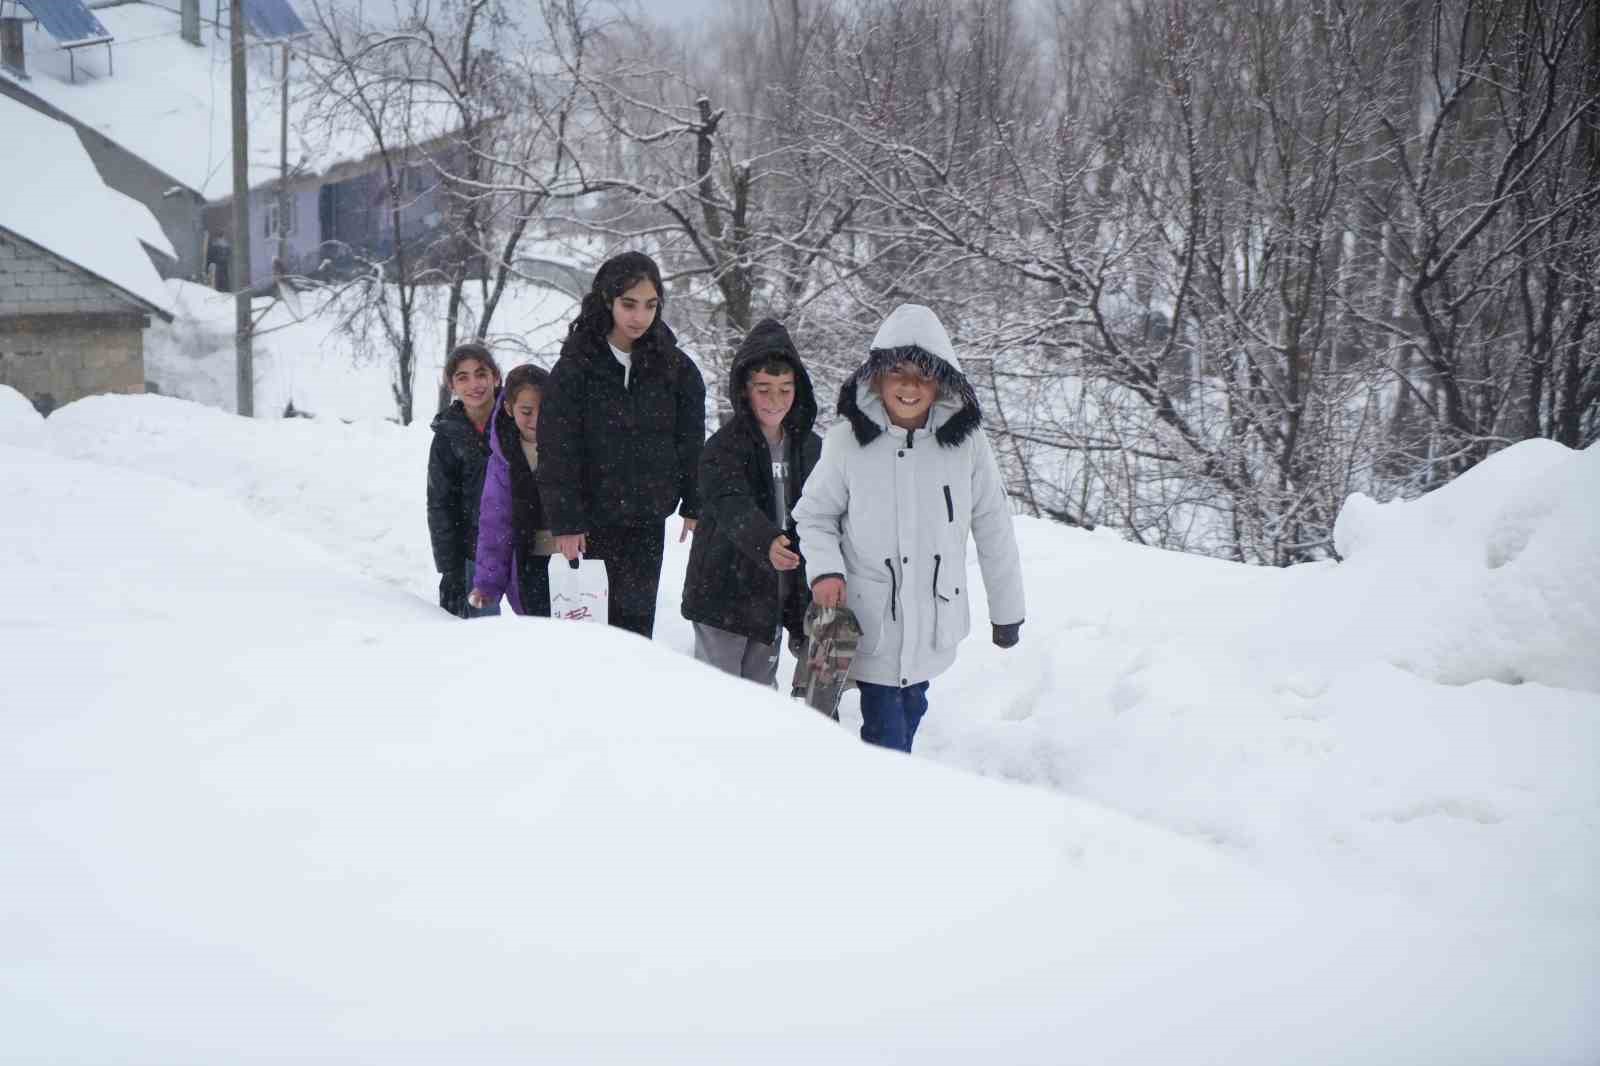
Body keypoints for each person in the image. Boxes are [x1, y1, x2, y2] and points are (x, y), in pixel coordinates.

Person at [792, 304, 1025, 752]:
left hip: (932, 622)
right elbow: (814, 516)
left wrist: (1007, 612)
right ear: (877, 378)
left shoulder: (967, 445)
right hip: (864, 619)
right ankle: (882, 800)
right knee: (886, 734)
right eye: (897, 372)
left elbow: (995, 528)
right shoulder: (847, 442)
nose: (909, 386)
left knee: (911, 708)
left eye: (923, 375)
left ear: (942, 382)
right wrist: (825, 572)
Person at [537, 252, 707, 638]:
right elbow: (557, 450)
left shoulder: (677, 369)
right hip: (591, 524)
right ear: (608, 301)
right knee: (589, 631)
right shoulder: (575, 368)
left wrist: (694, 502)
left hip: (648, 521)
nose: (639, 316)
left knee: (635, 632)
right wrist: (566, 521)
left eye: (650, 305)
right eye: (629, 304)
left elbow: (691, 441)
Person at [681, 318, 822, 686]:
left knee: (760, 692)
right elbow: (730, 502)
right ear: (744, 390)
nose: (775, 401)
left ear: (798, 389)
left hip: (775, 593)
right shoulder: (723, 447)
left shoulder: (811, 448)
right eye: (764, 389)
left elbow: (824, 512)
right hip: (722, 591)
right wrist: (766, 540)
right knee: (720, 692)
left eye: (784, 389)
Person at [469, 364, 556, 617]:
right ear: (509, 408)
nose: (537, 419)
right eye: (527, 411)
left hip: (573, 559)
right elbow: (495, 523)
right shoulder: (504, 459)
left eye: (545, 409)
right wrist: (487, 583)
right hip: (529, 563)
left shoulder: (570, 444)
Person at [428, 341, 503, 618]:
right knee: (482, 634)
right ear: (451, 386)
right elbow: (440, 504)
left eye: (481, 374)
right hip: (476, 551)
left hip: (523, 543)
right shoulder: (447, 435)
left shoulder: (518, 417)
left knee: (535, 631)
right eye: (463, 377)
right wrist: (450, 568)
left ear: (496, 377)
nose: (474, 384)